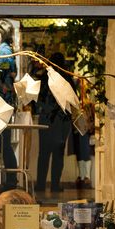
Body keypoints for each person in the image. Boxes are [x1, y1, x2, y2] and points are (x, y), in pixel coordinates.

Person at [35, 52, 72, 196]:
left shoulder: (45, 77)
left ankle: (40, 185)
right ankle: (55, 185)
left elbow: (38, 99)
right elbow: (72, 101)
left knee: (43, 154)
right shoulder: (66, 78)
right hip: (61, 122)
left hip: (45, 120)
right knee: (58, 155)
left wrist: (46, 109)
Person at [0, 21, 20, 190]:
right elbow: (12, 72)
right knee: (4, 141)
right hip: (6, 100)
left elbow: (5, 69)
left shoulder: (3, 50)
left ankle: (11, 180)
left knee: (3, 141)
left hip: (2, 101)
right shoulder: (8, 50)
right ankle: (11, 178)